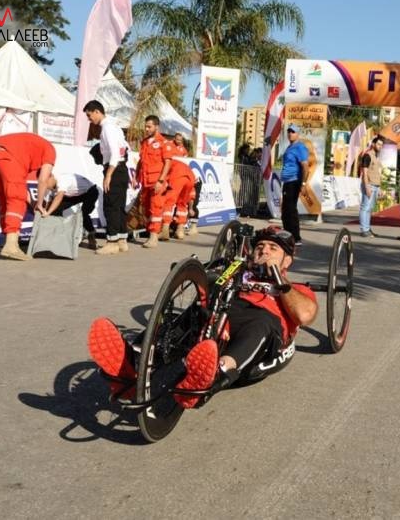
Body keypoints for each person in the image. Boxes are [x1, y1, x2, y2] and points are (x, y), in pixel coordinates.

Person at [87, 226, 318, 408]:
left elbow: (305, 314)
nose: (264, 251)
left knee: (261, 325)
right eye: (260, 246)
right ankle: (132, 361)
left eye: (273, 248)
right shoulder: (238, 272)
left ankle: (213, 375)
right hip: (226, 313)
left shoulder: (297, 289)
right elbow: (204, 281)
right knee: (195, 312)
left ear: (287, 260)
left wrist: (280, 281)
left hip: (262, 326)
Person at [0, 133, 56, 261]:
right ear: (53, 176)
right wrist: (40, 203)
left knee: (5, 198)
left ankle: (9, 242)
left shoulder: (31, 150)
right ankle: (11, 245)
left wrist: (33, 204)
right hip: (8, 155)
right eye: (53, 187)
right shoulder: (50, 150)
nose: (51, 188)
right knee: (16, 197)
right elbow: (43, 180)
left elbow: (25, 192)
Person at [83, 100, 131, 255]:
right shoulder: (115, 126)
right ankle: (122, 240)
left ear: (97, 111)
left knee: (110, 206)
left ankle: (112, 242)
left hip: (114, 169)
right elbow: (126, 148)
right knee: (119, 206)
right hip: (122, 168)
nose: (89, 119)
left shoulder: (107, 128)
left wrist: (108, 174)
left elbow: (115, 153)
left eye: (89, 115)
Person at [136, 115, 175, 248]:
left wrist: (161, 180)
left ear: (156, 127)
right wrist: (136, 177)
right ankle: (152, 233)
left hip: (157, 181)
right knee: (147, 209)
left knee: (156, 208)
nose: (146, 129)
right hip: (145, 181)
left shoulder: (164, 143)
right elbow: (141, 162)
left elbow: (168, 163)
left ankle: (153, 237)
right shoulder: (144, 142)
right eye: (145, 126)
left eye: (149, 126)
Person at [40, 168, 99, 249]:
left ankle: (91, 235)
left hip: (90, 191)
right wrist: (45, 212)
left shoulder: (63, 180)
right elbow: (48, 203)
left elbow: (58, 198)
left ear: (51, 176)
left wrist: (48, 213)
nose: (45, 185)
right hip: (73, 194)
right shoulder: (50, 185)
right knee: (55, 209)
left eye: (46, 182)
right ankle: (57, 236)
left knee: (84, 213)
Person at [280, 123, 309, 246]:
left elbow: (305, 167)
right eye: (289, 131)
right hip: (287, 182)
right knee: (285, 210)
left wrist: (303, 183)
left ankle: (296, 238)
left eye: (293, 132)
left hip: (294, 181)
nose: (290, 134)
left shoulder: (300, 147)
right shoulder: (289, 147)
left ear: (297, 134)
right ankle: (287, 235)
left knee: (291, 210)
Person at [162, 150, 197, 240]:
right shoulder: (176, 162)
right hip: (191, 177)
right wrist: (191, 208)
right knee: (182, 204)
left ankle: (165, 230)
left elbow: (163, 180)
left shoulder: (164, 162)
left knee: (168, 202)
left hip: (178, 175)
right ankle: (180, 230)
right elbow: (191, 195)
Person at [359, 136, 385, 238]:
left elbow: (377, 174)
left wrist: (380, 188)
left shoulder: (376, 157)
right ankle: (364, 230)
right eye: (378, 144)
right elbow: (364, 173)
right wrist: (367, 187)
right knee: (365, 207)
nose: (380, 146)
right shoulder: (367, 155)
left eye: (381, 145)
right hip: (369, 185)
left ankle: (367, 228)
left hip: (376, 186)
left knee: (370, 209)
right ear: (373, 144)